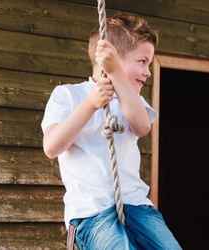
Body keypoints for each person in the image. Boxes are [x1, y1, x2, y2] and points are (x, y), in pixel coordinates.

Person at [41, 13, 181, 250]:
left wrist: (116, 73)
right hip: (91, 211)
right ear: (111, 56)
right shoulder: (68, 95)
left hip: (136, 204)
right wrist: (91, 105)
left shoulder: (131, 99)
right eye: (142, 61)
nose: (148, 72)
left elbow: (142, 126)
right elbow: (52, 147)